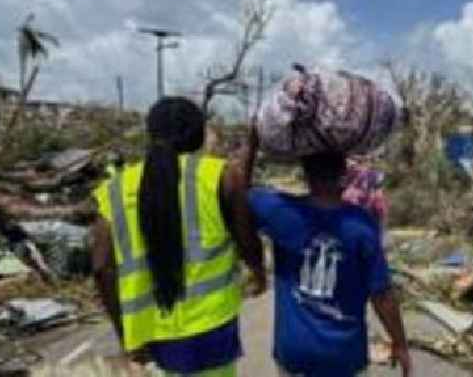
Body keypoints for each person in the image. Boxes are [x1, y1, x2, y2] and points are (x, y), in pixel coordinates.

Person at [91, 97, 265, 376]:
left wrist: (126, 335)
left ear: (151, 134)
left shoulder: (114, 189)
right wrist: (259, 274)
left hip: (152, 330)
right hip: (212, 323)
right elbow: (248, 242)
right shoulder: (219, 175)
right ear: (197, 135)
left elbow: (101, 267)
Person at [246, 130, 411, 377]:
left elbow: (237, 189)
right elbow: (382, 295)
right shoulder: (361, 225)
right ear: (343, 175)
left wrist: (253, 140)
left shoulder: (280, 211)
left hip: (295, 353)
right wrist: (400, 342)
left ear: (305, 174)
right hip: (344, 356)